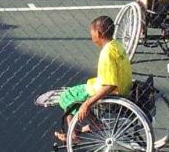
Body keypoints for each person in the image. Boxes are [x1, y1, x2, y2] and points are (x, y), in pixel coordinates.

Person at [54, 15, 132, 143]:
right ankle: (93, 124)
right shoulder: (117, 45)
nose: (91, 36)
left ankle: (73, 134)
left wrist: (87, 104)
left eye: (92, 33)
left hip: (109, 91)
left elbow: (110, 85)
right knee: (78, 94)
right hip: (125, 86)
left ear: (99, 33)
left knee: (67, 96)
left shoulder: (106, 54)